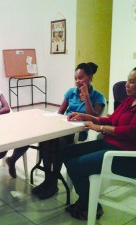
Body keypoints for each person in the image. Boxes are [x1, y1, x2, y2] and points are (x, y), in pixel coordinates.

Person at [63, 65, 136, 221]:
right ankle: (87, 198)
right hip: (112, 145)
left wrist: (100, 128)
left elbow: (132, 132)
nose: (126, 85)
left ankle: (88, 204)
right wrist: (88, 117)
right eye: (127, 80)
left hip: (129, 157)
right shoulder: (129, 100)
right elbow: (112, 119)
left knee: (75, 164)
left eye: (132, 82)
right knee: (68, 152)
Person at [31, 62, 106, 200]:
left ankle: (53, 182)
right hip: (64, 126)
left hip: (79, 131)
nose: (78, 81)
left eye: (81, 78)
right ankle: (48, 179)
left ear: (89, 77)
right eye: (76, 78)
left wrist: (87, 97)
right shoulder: (71, 92)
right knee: (47, 140)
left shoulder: (98, 97)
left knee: (59, 142)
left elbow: (94, 118)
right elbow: (60, 112)